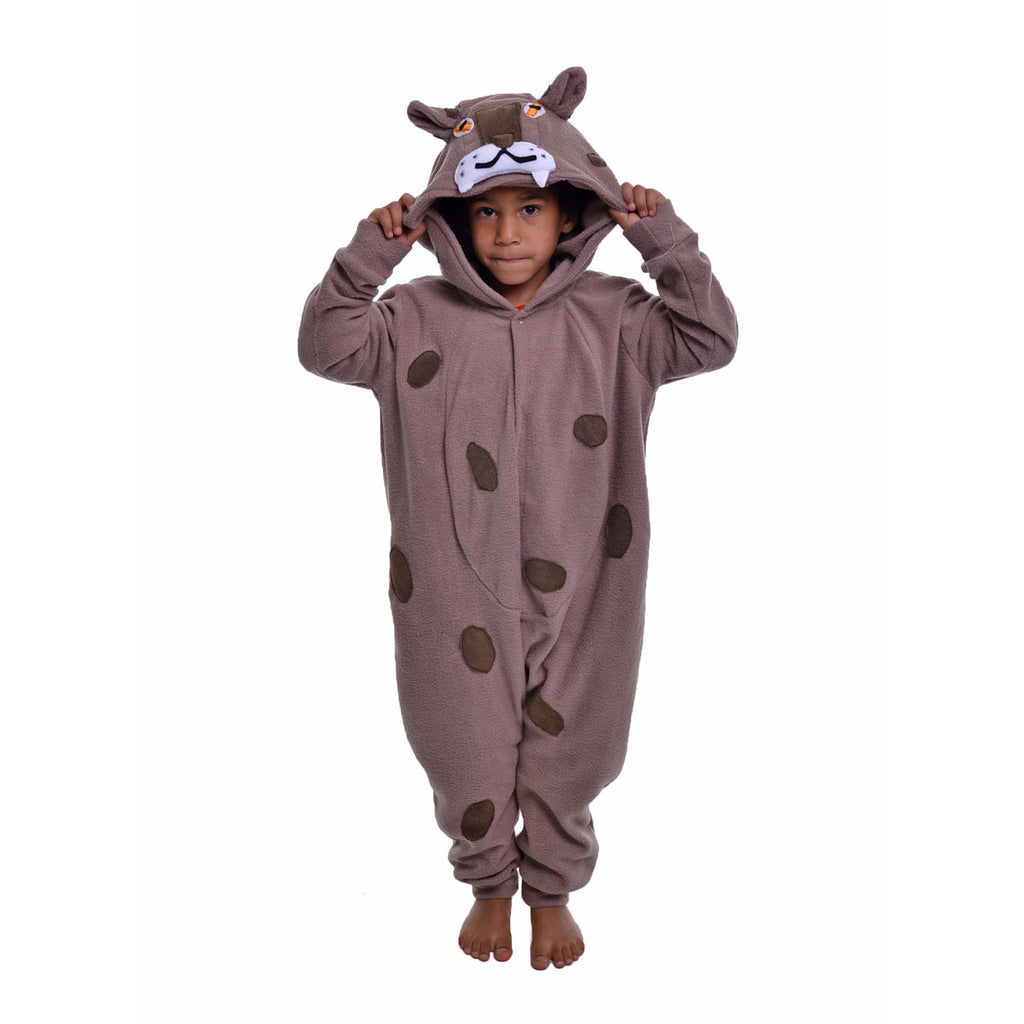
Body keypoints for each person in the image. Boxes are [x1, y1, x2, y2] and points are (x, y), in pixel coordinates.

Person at [298, 67, 738, 970]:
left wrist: (661, 238)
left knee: (581, 746)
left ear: (571, 211)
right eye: (485, 212)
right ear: (450, 220)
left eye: (530, 209)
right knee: (457, 744)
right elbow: (324, 346)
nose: (506, 232)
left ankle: (555, 890)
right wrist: (371, 253)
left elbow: (710, 337)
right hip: (449, 585)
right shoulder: (411, 318)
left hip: (592, 578)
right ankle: (488, 884)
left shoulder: (619, 318)